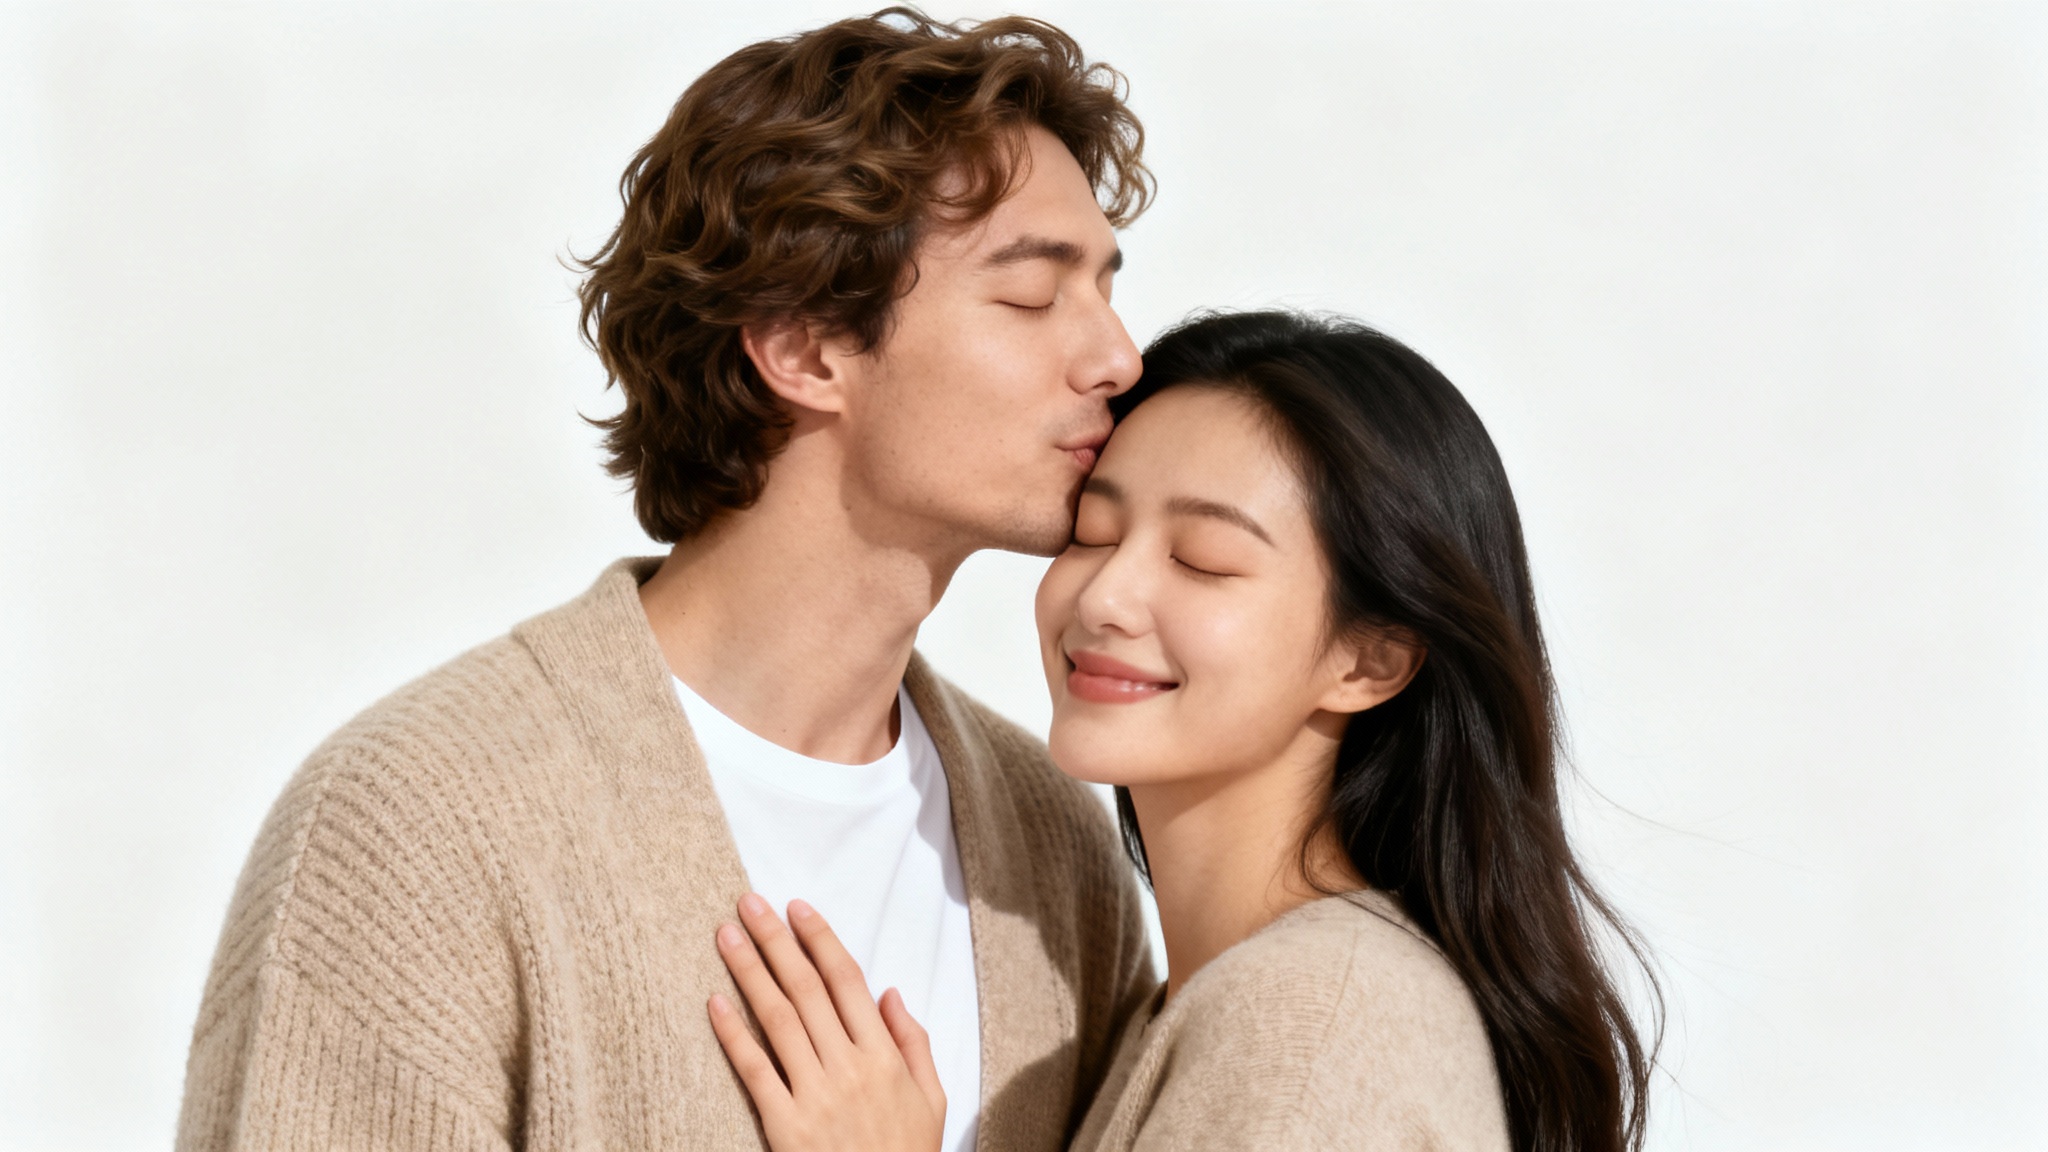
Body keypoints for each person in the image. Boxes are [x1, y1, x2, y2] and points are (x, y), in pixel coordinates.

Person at [174, 10, 1162, 1150]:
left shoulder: (1052, 851)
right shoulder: (419, 830)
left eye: (1104, 287)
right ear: (799, 346)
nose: (1118, 358)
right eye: (1033, 296)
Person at [706, 310, 1661, 1151]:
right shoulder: (1230, 1003)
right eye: (1092, 533)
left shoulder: (1310, 1022)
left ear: (1370, 661)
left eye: (1203, 561)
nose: (1109, 596)